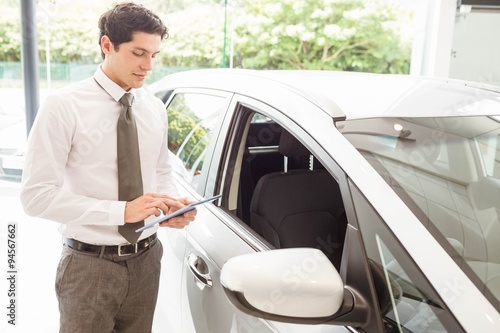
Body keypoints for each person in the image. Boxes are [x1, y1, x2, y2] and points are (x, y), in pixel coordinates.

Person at [20, 3, 196, 332]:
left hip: (147, 259)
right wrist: (121, 212)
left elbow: (160, 171)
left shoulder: (155, 108)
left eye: (154, 55)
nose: (148, 66)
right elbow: (36, 197)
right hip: (89, 267)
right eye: (138, 53)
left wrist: (170, 206)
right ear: (107, 45)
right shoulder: (63, 106)